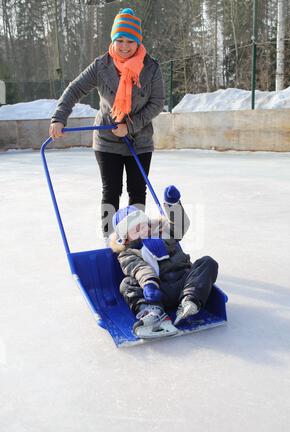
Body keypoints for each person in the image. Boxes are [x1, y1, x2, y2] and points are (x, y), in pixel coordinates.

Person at [49, 8, 165, 243]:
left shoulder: (151, 68)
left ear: (138, 40)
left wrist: (130, 126)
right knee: (111, 191)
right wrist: (59, 117)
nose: (124, 46)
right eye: (119, 40)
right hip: (107, 140)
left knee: (137, 191)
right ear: (113, 40)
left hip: (139, 141)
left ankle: (136, 241)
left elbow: (157, 102)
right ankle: (109, 242)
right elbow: (74, 89)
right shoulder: (102, 66)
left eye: (130, 40)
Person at [109, 185, 219, 339]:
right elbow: (139, 268)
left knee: (207, 262)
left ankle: (190, 301)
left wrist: (173, 205)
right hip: (157, 291)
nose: (142, 230)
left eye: (143, 225)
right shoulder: (127, 253)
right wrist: (149, 284)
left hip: (184, 282)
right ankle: (153, 313)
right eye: (135, 229)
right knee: (127, 284)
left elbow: (180, 227)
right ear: (125, 237)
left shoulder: (163, 233)